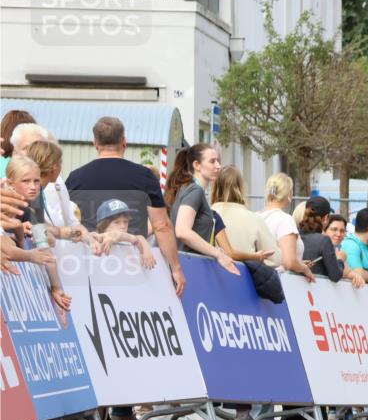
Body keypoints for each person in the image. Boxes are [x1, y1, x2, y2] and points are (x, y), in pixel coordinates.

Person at [66, 117, 185, 296]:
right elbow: (161, 226)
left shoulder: (75, 178)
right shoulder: (145, 177)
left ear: (95, 143)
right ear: (124, 141)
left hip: (89, 265)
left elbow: (68, 221)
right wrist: (175, 268)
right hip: (136, 267)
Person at [4, 157, 72, 312]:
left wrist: (56, 288)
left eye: (36, 181)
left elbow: (45, 248)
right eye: (26, 181)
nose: (33, 187)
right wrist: (18, 231)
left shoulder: (31, 210)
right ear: (9, 183)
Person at [164, 144, 239, 275]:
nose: (218, 166)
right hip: (190, 268)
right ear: (197, 165)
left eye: (218, 161)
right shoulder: (194, 190)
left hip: (186, 266)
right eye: (212, 161)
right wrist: (218, 254)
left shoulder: (185, 188)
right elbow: (182, 231)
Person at [210, 166, 281, 267]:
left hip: (209, 276)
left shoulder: (205, 215)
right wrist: (256, 257)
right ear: (241, 187)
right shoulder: (254, 219)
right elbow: (275, 259)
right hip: (244, 278)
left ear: (215, 187)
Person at [257, 172, 315, 281]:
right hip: (281, 282)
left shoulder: (256, 216)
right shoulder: (285, 220)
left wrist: (299, 263)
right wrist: (305, 269)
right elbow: (289, 262)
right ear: (289, 194)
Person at [94, 199, 156, 269]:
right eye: (116, 222)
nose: (123, 226)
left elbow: (139, 237)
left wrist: (146, 249)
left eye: (125, 222)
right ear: (103, 226)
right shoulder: (95, 242)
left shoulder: (128, 242)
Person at [298, 196, 347, 282]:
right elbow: (335, 276)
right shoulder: (324, 240)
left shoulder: (294, 234)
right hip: (316, 290)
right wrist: (340, 260)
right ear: (325, 218)